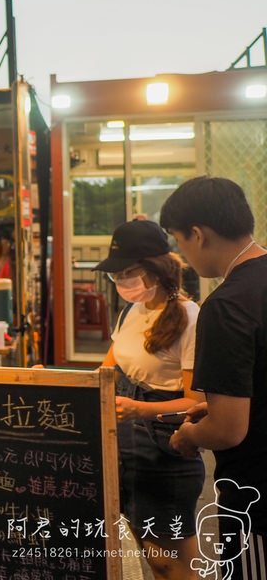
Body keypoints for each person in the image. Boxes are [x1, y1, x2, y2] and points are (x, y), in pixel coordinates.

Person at [161, 176, 267, 580]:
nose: (183, 256)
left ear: (198, 234)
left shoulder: (226, 304)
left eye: (180, 241)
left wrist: (188, 436)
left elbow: (227, 430)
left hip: (256, 500)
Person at [95, 219, 203, 580]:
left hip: (166, 449)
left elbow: (196, 403)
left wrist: (141, 409)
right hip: (126, 448)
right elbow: (105, 373)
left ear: (156, 268)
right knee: (155, 558)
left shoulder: (189, 317)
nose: (122, 281)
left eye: (129, 271)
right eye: (117, 274)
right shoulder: (131, 312)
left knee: (174, 563)